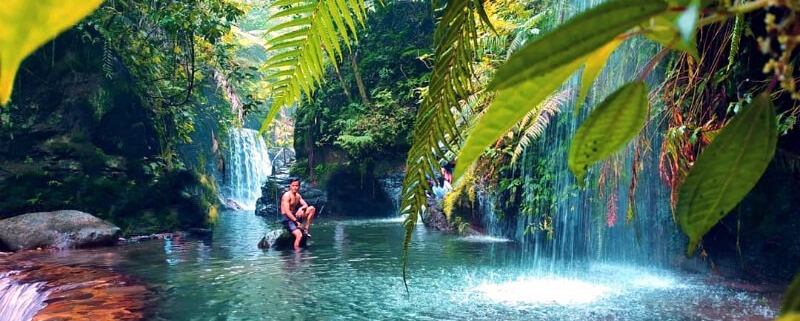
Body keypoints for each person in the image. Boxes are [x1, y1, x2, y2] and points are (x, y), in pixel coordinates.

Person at [281, 178, 317, 250]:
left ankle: (306, 229)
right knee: (299, 235)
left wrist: (301, 208)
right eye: (293, 185)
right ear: (290, 186)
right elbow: (287, 211)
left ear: (299, 186)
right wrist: (296, 222)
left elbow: (305, 205)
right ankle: (297, 254)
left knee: (312, 208)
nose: (295, 187)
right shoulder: (286, 195)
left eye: (296, 185)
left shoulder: (298, 196)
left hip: (295, 215)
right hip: (287, 218)